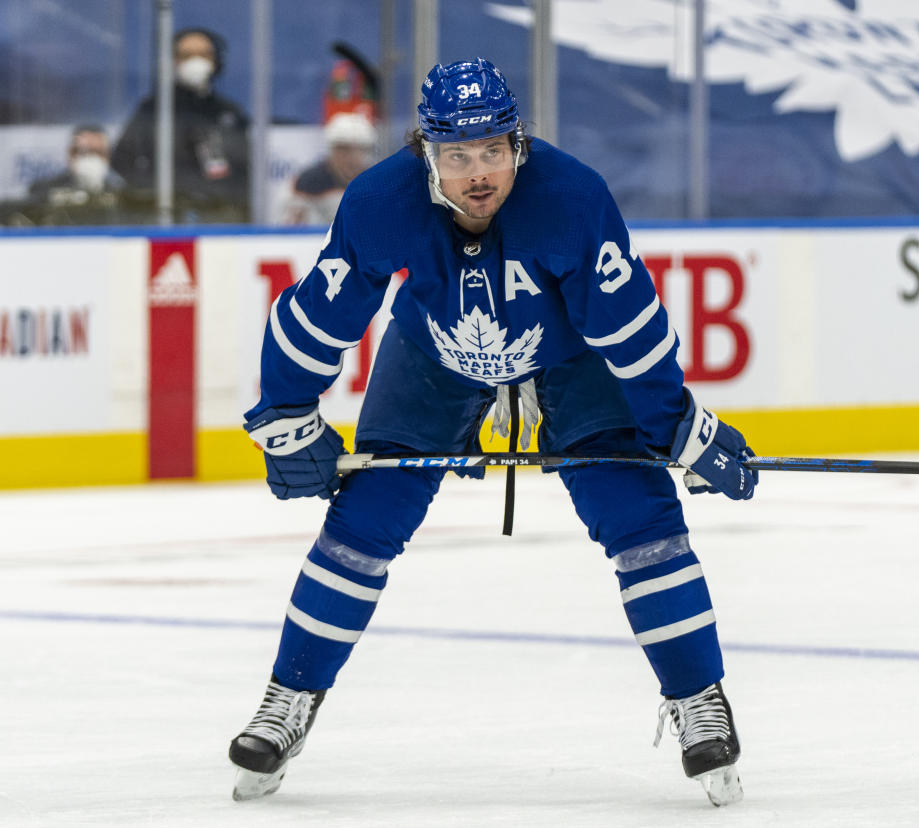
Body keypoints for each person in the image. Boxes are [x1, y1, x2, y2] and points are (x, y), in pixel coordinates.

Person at [228, 58, 757, 807]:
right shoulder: (382, 200)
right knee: (364, 523)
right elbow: (318, 317)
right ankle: (289, 701)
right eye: (458, 156)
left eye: (494, 151)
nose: (480, 174)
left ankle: (699, 698)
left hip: (570, 358)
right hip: (432, 354)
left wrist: (677, 426)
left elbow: (631, 330)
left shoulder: (572, 197)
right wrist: (285, 415)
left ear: (520, 145)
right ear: (426, 154)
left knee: (639, 515)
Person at [111, 28, 250, 223]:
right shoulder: (155, 108)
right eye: (187, 55)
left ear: (216, 61)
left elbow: (245, 169)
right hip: (166, 216)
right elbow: (121, 159)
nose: (195, 61)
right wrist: (155, 192)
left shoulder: (229, 113)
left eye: (203, 54)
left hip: (219, 216)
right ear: (174, 61)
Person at [15, 125, 126, 225]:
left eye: (97, 152)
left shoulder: (121, 193)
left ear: (107, 156)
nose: (90, 158)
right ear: (70, 155)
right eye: (83, 152)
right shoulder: (43, 190)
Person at [281, 113, 377, 225]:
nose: (351, 158)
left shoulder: (378, 183)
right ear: (331, 151)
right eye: (343, 150)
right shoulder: (307, 183)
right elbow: (292, 226)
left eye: (360, 150)